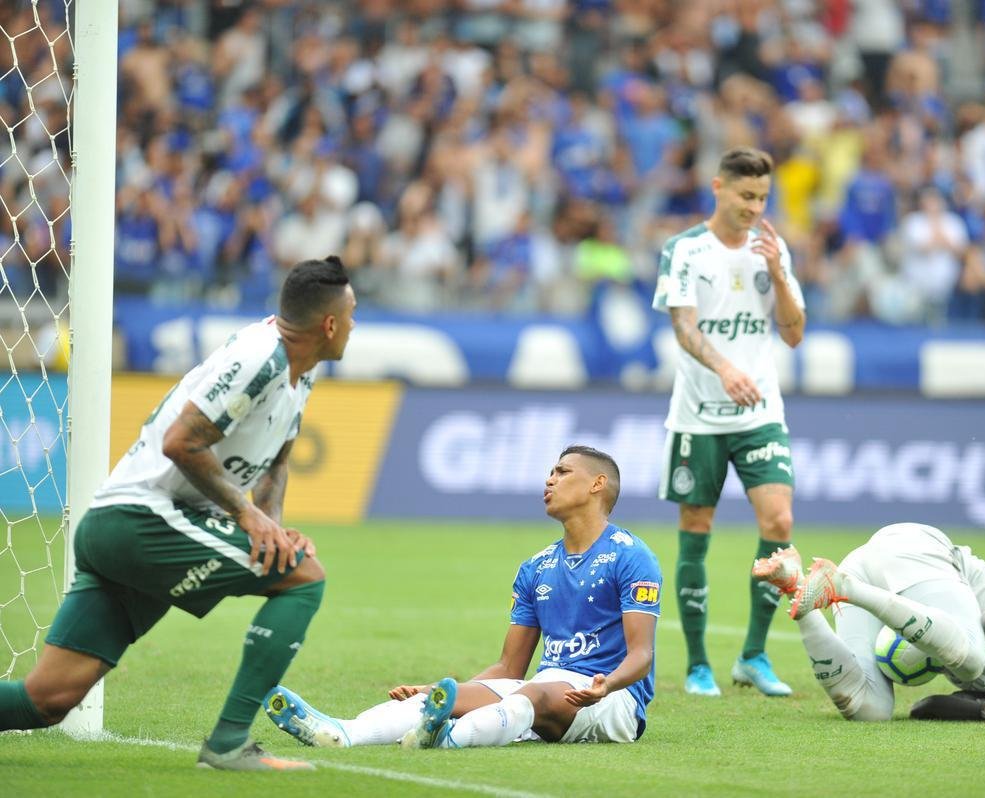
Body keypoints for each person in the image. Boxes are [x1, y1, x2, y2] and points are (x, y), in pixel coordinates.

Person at [0, 256, 357, 771]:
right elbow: (180, 442)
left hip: (127, 526)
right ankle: (230, 742)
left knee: (48, 699)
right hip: (140, 519)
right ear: (329, 324)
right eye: (351, 316)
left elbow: (275, 464)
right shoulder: (261, 359)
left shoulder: (302, 373)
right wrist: (248, 517)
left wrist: (272, 524)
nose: (352, 326)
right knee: (303, 579)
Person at [262, 445, 661, 749]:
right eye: (549, 472)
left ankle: (448, 739)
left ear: (597, 484)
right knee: (451, 697)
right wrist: (436, 689)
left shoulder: (631, 556)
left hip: (613, 701)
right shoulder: (535, 567)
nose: (549, 480)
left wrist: (604, 686)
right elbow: (510, 665)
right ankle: (342, 732)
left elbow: (641, 656)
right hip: (544, 687)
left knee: (532, 695)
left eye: (562, 471)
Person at [651, 146, 806, 698]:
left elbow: (793, 333)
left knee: (780, 523)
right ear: (718, 188)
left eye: (763, 198)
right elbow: (684, 329)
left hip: (760, 412)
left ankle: (754, 656)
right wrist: (725, 369)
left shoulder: (773, 249)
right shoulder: (686, 250)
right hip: (699, 416)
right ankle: (697, 664)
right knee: (696, 531)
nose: (754, 208)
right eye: (746, 196)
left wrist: (778, 276)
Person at [752, 523, 985, 723]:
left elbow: (926, 707)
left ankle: (796, 585)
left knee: (870, 710)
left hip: (872, 575)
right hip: (916, 550)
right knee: (974, 655)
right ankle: (842, 587)